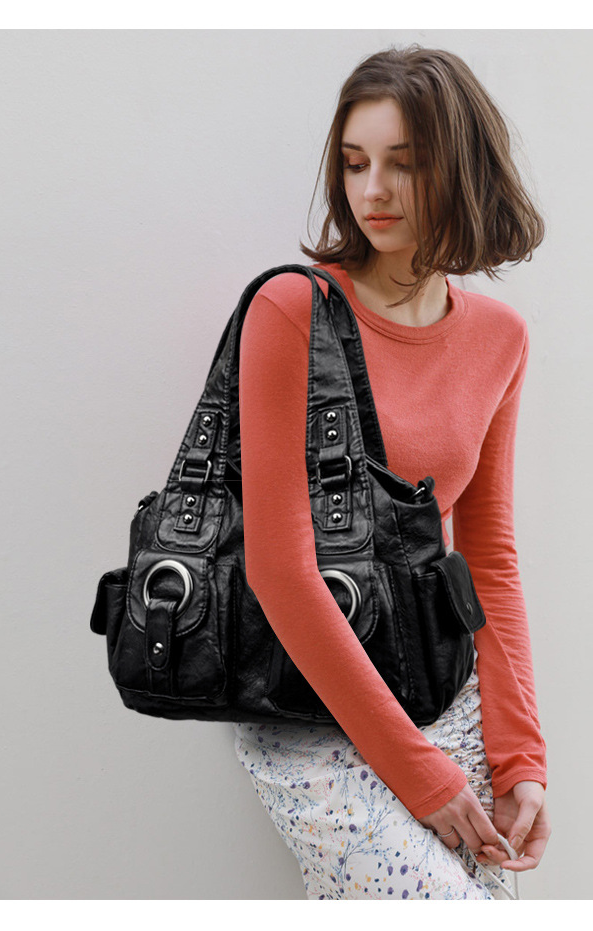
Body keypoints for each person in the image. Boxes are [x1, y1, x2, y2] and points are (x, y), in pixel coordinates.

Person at [233, 44, 551, 900]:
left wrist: (521, 754)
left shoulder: (500, 337)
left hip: (446, 691)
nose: (371, 190)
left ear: (463, 169)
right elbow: (279, 568)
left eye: (403, 164)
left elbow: (487, 558)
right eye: (354, 162)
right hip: (315, 711)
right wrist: (417, 773)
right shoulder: (293, 310)